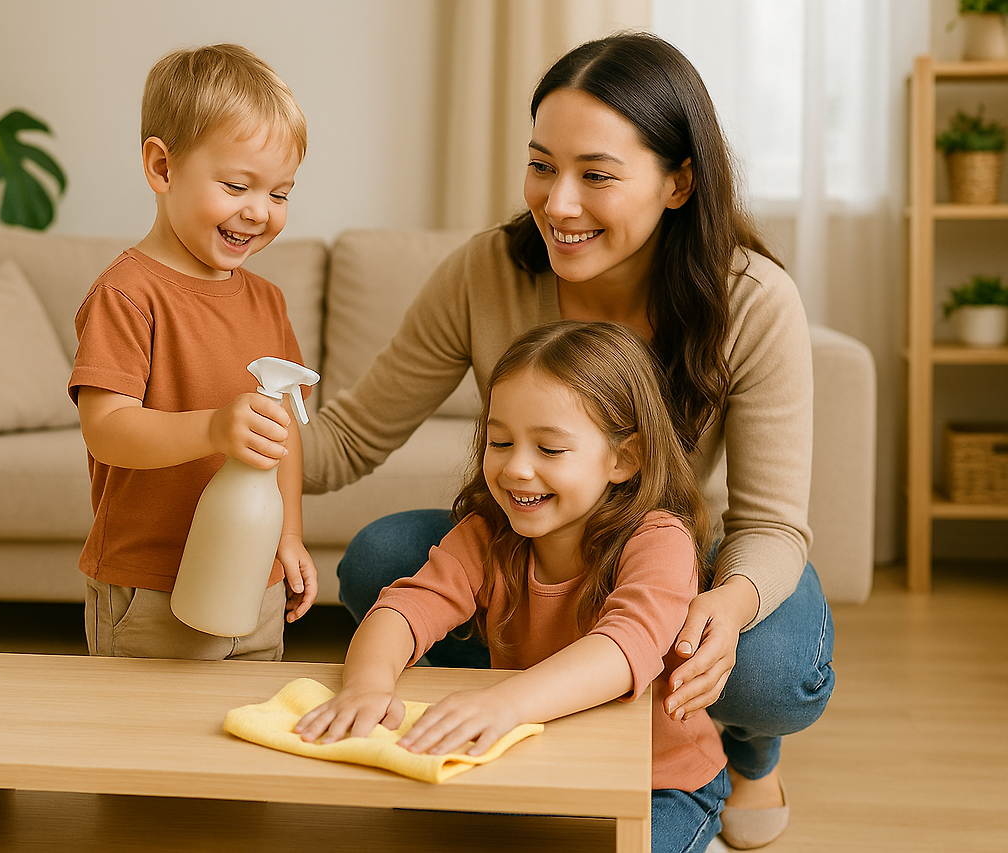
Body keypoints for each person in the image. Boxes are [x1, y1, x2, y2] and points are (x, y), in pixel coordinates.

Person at [302, 32, 833, 849]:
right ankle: (521, 709)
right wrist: (219, 437)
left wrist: (724, 606)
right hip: (541, 539)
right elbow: (347, 437)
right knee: (382, 559)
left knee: (766, 666)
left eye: (597, 175)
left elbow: (770, 524)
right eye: (542, 165)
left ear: (679, 181)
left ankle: (745, 753)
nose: (558, 203)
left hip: (680, 551)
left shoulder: (752, 300)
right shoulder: (487, 272)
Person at [297, 321, 728, 853]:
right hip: (538, 761)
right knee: (412, 798)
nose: (517, 468)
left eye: (550, 449)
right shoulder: (487, 533)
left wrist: (503, 704)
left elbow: (625, 646)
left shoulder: (660, 539)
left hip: (659, 782)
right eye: (500, 442)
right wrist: (366, 683)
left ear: (624, 459)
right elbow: (406, 607)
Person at [69, 43, 317, 662]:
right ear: (162, 167)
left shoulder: (268, 302)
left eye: (280, 194)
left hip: (255, 580)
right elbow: (107, 429)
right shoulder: (127, 294)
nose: (258, 212)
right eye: (236, 185)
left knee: (248, 717)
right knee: (149, 722)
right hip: (152, 586)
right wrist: (213, 429)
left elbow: (281, 434)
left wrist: (288, 534)